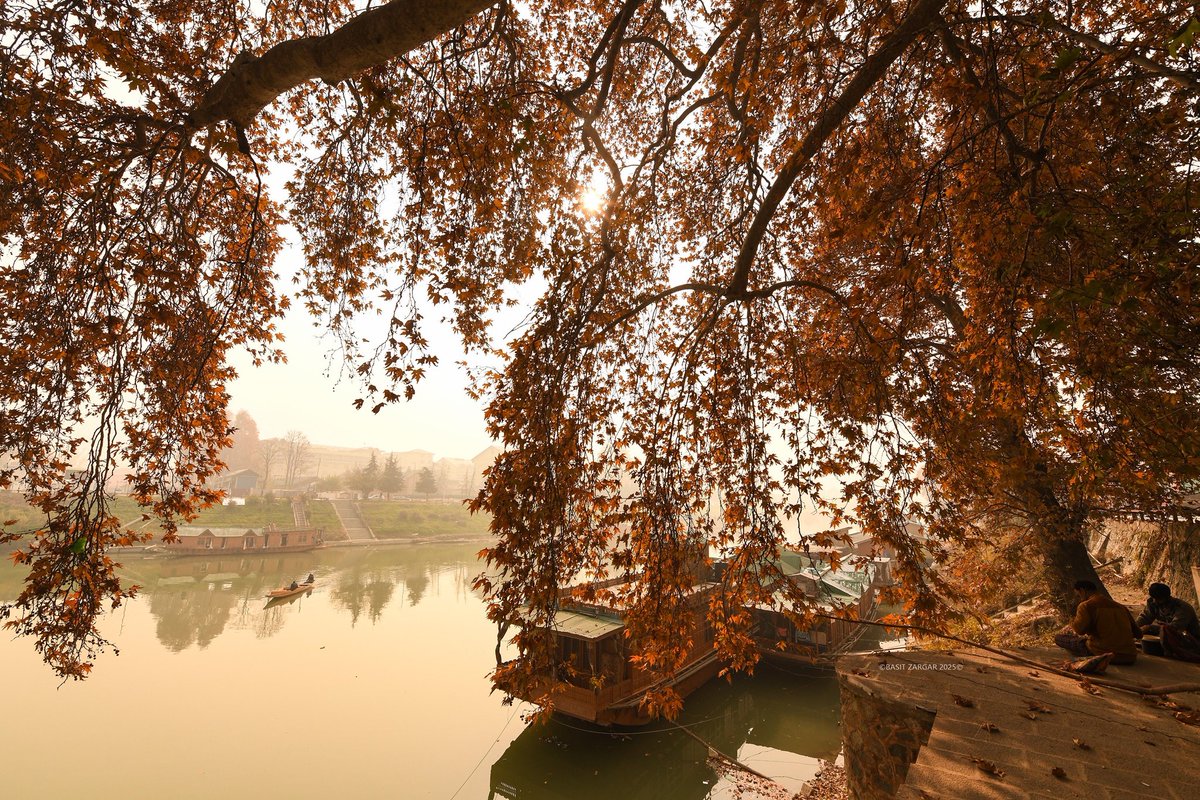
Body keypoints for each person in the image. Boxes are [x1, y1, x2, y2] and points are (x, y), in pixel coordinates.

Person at [1054, 579, 1140, 665]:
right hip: (1129, 656)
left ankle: (1089, 656)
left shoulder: (1086, 605)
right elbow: (1138, 634)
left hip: (1103, 653)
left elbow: (1079, 630)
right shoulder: (1121, 607)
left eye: (1078, 595)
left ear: (1083, 591)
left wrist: (1072, 623)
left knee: (1059, 638)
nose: (1079, 598)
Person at [1137, 583, 1200, 661]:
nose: (1155, 601)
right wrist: (1133, 628)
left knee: (1164, 630)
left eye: (1158, 599)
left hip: (1189, 639)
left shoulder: (1183, 608)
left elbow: (1175, 628)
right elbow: (1144, 618)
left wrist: (1149, 628)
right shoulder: (1153, 602)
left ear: (1167, 597)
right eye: (1153, 598)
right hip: (1166, 635)